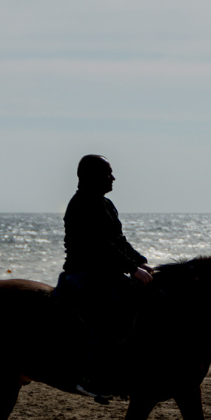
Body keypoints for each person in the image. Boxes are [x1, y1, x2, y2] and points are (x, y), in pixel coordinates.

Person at [57, 154, 153, 401]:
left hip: (105, 272)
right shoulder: (82, 203)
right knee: (106, 313)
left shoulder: (106, 204)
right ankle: (87, 378)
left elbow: (119, 242)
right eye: (108, 173)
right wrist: (132, 269)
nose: (113, 177)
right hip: (83, 273)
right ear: (92, 176)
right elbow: (100, 246)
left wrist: (142, 263)